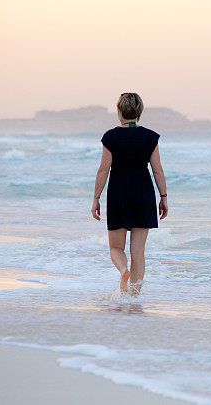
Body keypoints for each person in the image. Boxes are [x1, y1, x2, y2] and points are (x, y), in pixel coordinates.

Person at [91, 92, 169, 296]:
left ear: (119, 111)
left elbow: (103, 169)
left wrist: (96, 198)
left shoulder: (111, 136)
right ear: (139, 112)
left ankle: (123, 270)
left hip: (119, 193)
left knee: (116, 247)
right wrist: (163, 197)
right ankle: (133, 297)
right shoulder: (150, 137)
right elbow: (158, 170)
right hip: (143, 193)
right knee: (138, 252)